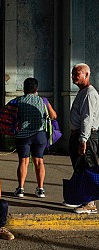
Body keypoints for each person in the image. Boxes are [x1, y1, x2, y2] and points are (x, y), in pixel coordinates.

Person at [68, 63, 99, 213]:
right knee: (80, 168)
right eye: (73, 74)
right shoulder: (82, 92)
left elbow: (87, 118)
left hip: (85, 136)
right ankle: (82, 198)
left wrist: (83, 139)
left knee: (88, 168)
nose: (74, 76)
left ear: (86, 75)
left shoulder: (89, 93)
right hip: (79, 135)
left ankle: (90, 203)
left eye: (77, 74)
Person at [12, 78, 50, 198]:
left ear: (24, 88)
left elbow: (9, 114)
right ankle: (40, 189)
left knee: (23, 161)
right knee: (39, 161)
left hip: (23, 135)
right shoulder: (43, 100)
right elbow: (53, 115)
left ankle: (21, 189)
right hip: (39, 135)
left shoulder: (18, 101)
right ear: (36, 89)